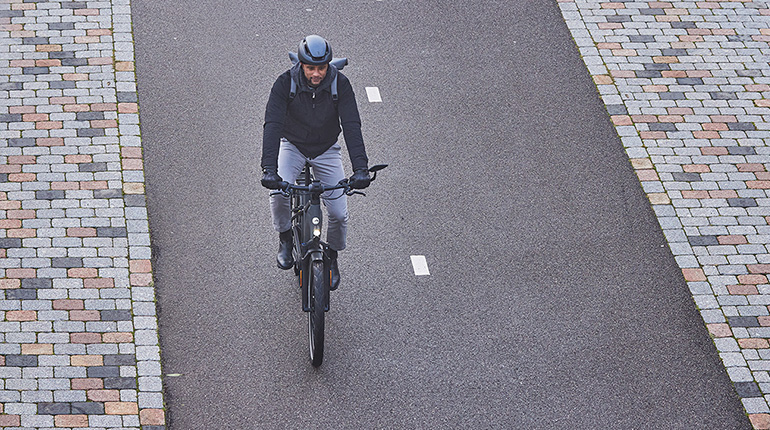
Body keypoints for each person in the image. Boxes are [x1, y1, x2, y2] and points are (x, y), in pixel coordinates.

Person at [260, 35, 370, 290]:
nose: (317, 73)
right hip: (293, 146)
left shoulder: (340, 84)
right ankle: (285, 237)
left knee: (340, 214)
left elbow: (352, 125)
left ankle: (332, 256)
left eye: (321, 68)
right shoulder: (284, 83)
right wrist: (269, 169)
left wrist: (361, 169)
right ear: (301, 64)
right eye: (311, 68)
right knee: (278, 194)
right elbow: (273, 125)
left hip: (326, 149)